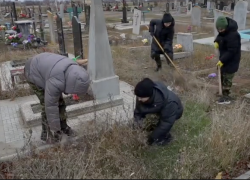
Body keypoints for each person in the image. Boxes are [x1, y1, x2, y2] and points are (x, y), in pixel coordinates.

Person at [24, 52, 91, 143]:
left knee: (60, 102)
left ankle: (64, 127)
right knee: (46, 105)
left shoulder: (72, 69)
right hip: (33, 72)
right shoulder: (56, 81)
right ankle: (48, 134)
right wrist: (55, 129)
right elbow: (50, 107)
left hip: (47, 68)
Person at [133, 78, 183, 146]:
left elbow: (166, 123)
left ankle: (166, 138)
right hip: (157, 108)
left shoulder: (170, 103)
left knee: (159, 135)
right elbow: (138, 111)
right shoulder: (142, 95)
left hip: (174, 111)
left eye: (141, 98)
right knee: (146, 124)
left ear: (149, 96)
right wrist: (138, 125)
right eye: (138, 97)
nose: (139, 99)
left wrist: (151, 138)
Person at [214, 16, 241, 105]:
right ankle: (221, 91)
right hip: (224, 58)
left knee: (227, 78)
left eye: (222, 29)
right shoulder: (223, 31)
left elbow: (231, 51)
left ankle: (226, 97)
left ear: (226, 27)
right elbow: (220, 36)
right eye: (218, 29)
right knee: (222, 74)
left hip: (232, 60)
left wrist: (222, 60)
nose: (220, 31)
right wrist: (216, 41)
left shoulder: (233, 35)